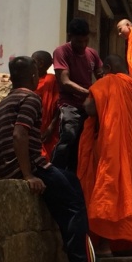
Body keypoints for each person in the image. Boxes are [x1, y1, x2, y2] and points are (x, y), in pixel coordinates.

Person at [0, 56, 110, 262]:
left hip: (7, 166)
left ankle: (73, 256)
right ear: (35, 76)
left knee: (69, 182)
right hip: (28, 166)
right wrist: (27, 175)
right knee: (75, 200)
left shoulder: (5, 101)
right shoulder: (30, 98)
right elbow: (19, 134)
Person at [77, 54, 132, 257]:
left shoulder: (106, 83)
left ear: (108, 67)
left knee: (109, 189)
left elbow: (89, 109)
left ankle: (104, 246)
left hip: (109, 145)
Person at [52, 18, 104, 172]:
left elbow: (102, 75)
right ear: (70, 37)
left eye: (85, 41)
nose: (82, 45)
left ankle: (76, 177)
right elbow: (64, 82)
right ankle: (56, 174)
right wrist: (90, 92)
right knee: (68, 138)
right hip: (70, 105)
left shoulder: (92, 53)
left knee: (84, 143)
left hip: (87, 107)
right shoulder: (61, 52)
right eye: (78, 41)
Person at [31, 50, 59, 160]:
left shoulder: (51, 80)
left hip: (47, 128)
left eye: (33, 61)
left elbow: (58, 105)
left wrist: (51, 127)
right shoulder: (30, 80)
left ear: (41, 63)